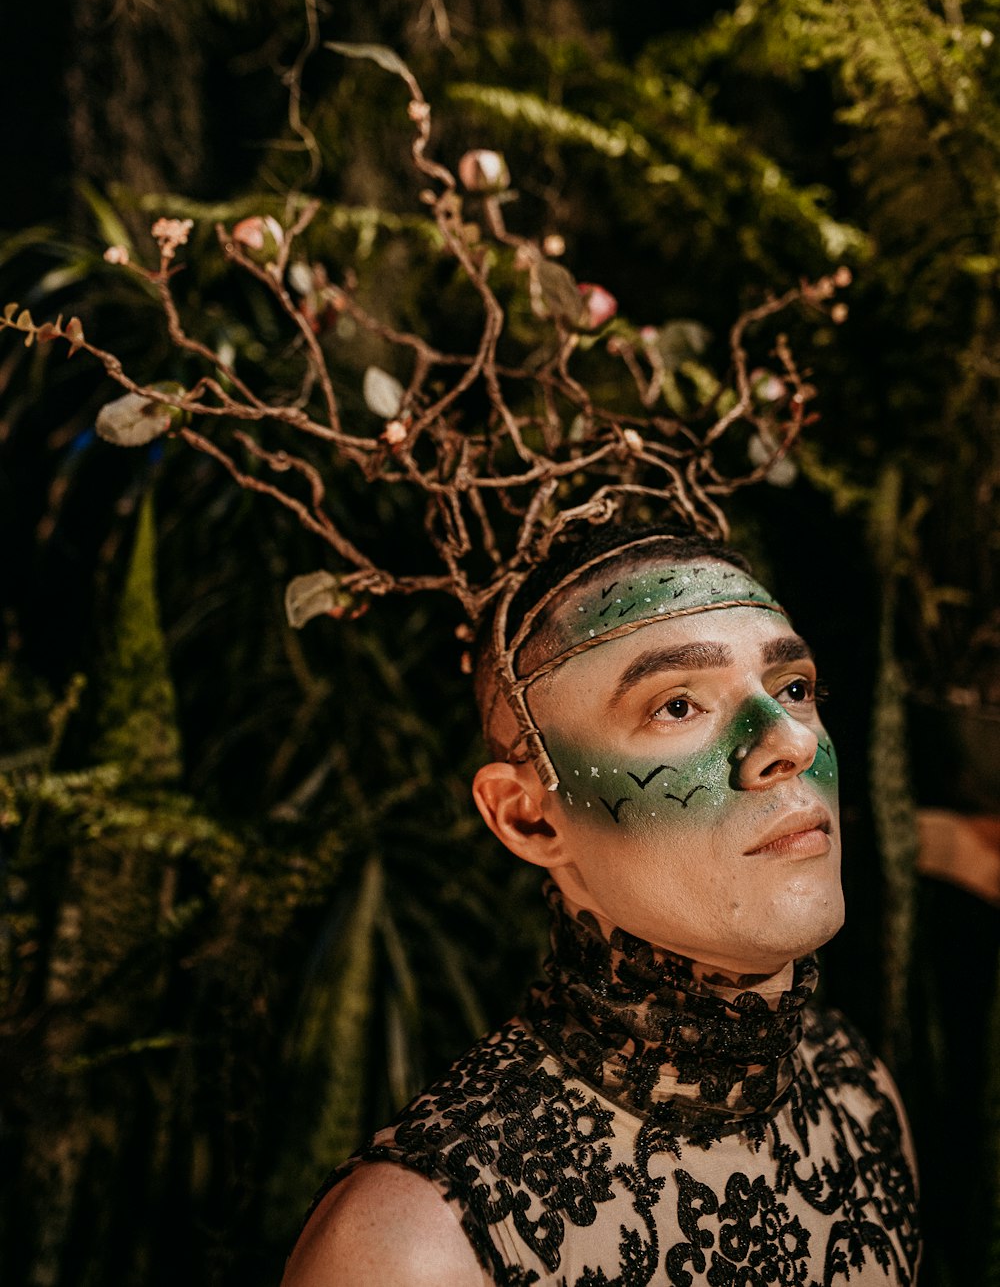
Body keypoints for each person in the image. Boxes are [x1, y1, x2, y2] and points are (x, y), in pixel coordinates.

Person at [282, 523, 920, 1286]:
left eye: (792, 688)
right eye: (678, 705)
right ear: (527, 816)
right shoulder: (415, 1247)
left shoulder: (855, 1090)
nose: (789, 741)